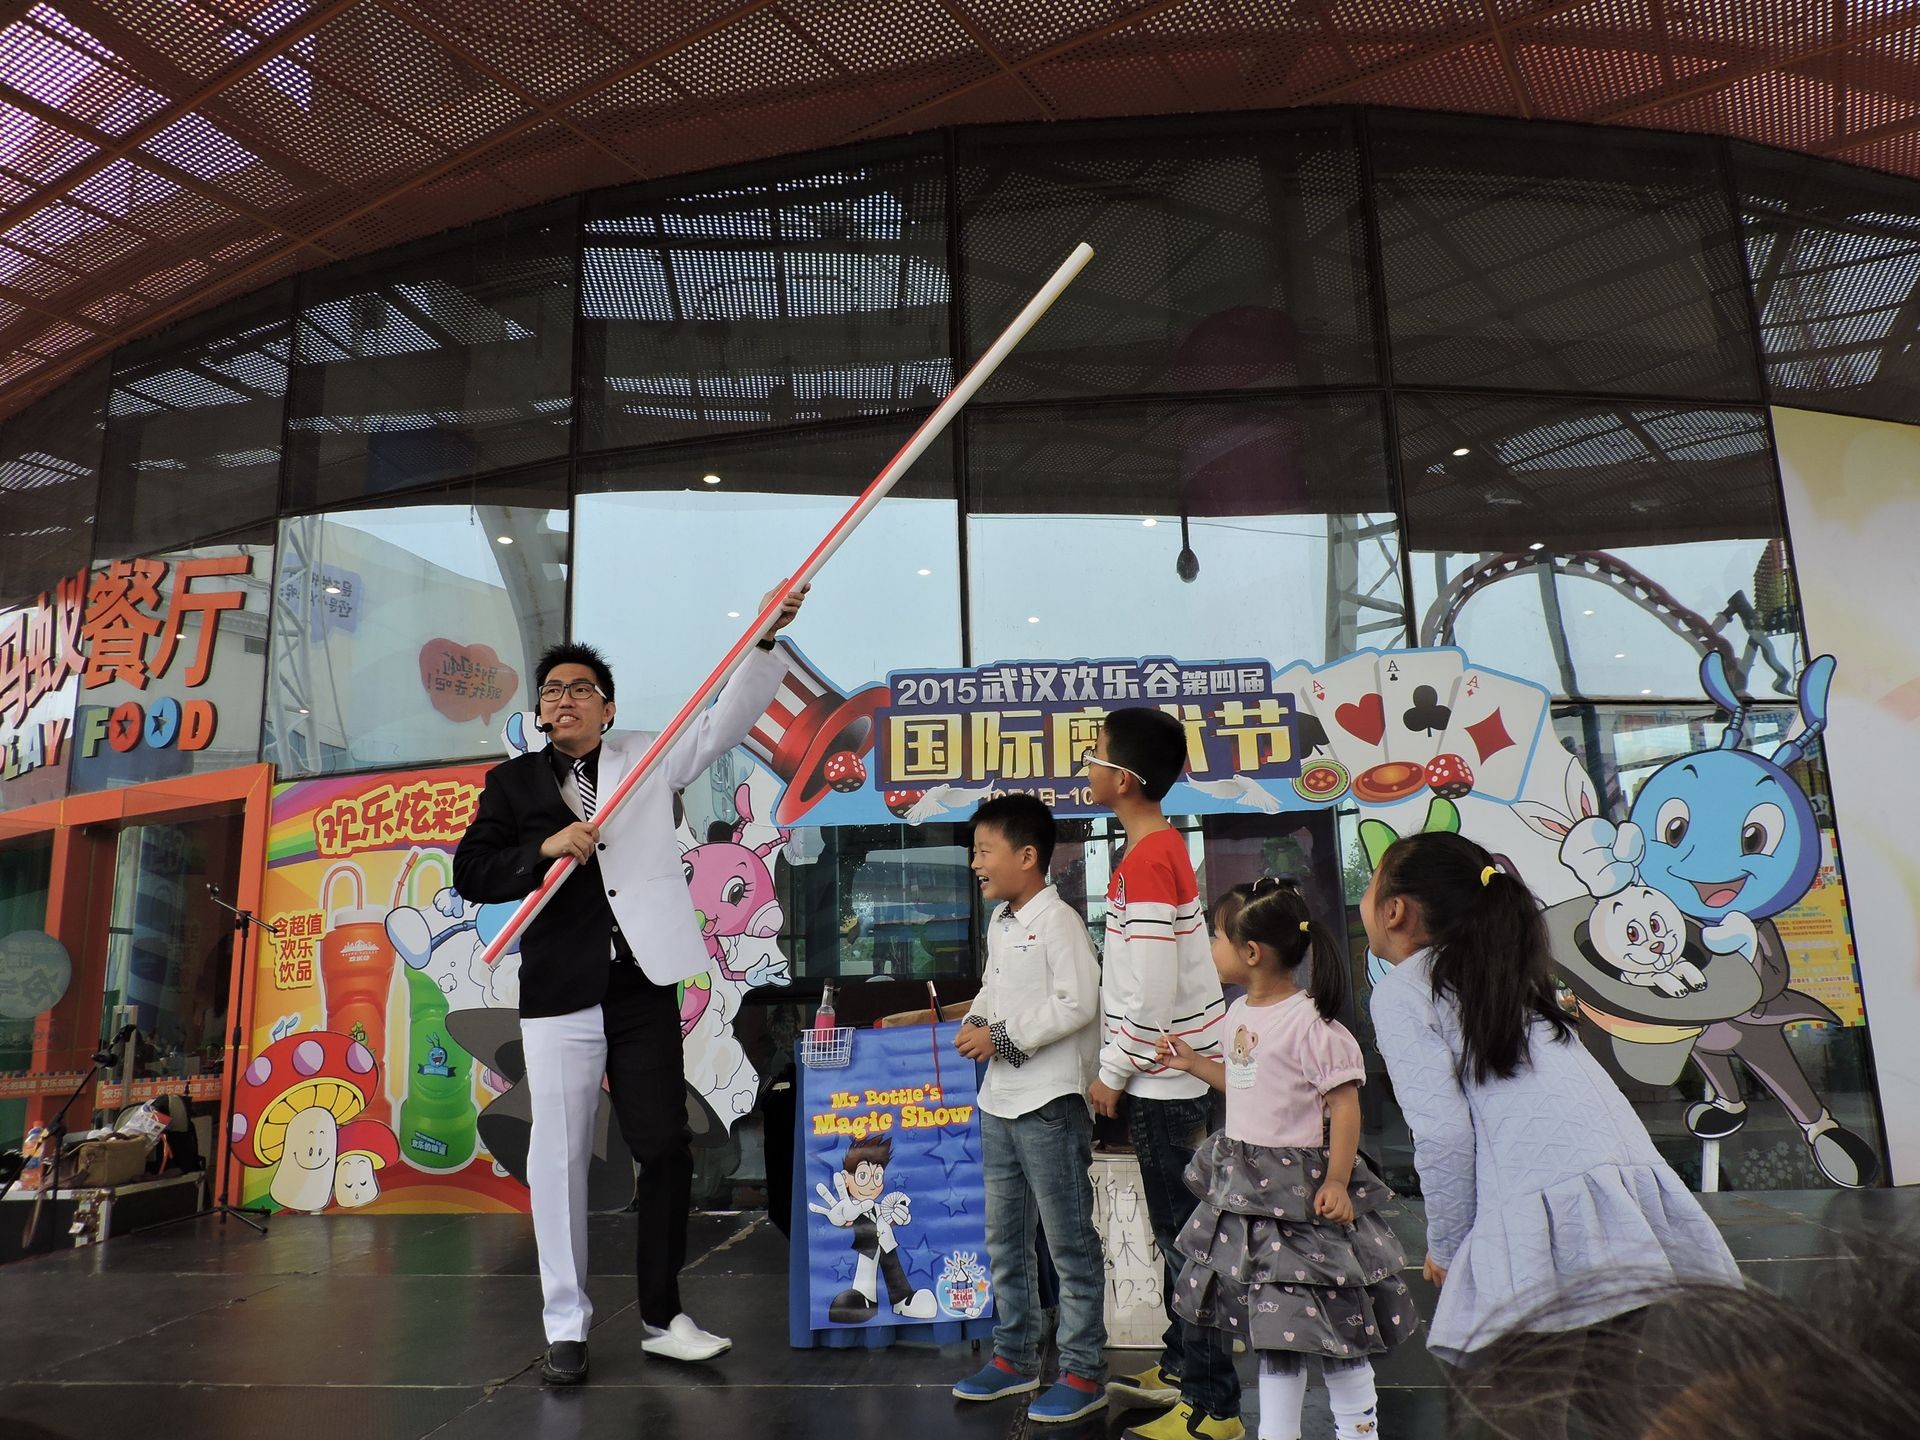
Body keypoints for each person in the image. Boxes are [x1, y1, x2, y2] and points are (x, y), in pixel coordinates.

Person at [452, 587, 804, 1386]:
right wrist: (542, 848)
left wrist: (765, 642)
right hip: (558, 991)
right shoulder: (511, 788)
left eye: (581, 689)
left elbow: (726, 723)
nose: (565, 700)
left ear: (607, 709)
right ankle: (566, 1323)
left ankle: (661, 1314)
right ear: (540, 713)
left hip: (642, 981)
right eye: (553, 691)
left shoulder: (646, 757)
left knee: (664, 1146)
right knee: (561, 1157)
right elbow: (471, 873)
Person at [1362, 831, 1742, 1440]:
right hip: (1623, 1211)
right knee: (1614, 1404)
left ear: (1395, 910)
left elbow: (1443, 1134)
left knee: (1511, 1412)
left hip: (1546, 1218)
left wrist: (1450, 1247)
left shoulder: (1405, 991)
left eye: (1370, 882)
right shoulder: (1508, 975)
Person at [1159, 878, 1418, 1440]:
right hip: (1252, 1194)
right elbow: (1245, 1083)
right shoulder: (1236, 1016)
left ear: (1252, 953)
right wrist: (1193, 1065)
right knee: (1277, 1333)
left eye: (1216, 936)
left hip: (1303, 1200)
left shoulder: (1313, 1025)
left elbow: (1344, 1107)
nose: (1211, 947)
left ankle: (1359, 1430)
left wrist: (1339, 1181)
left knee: (1336, 1322)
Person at [1082, 708, 1241, 1440]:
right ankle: (1181, 1367)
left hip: (1163, 1082)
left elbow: (1146, 993)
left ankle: (1213, 1407)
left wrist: (1112, 1070)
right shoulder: (1155, 849)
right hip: (1169, 1075)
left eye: (1095, 755)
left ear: (1125, 779)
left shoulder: (1148, 860)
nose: (1087, 765)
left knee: (1187, 1242)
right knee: (1182, 1236)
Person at [949, 793, 1108, 1425]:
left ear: (1028, 856)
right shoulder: (1004, 922)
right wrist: (976, 1021)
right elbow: (994, 988)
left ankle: (1083, 1371)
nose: (975, 863)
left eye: (984, 851)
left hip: (1049, 1104)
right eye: (975, 851)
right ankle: (1014, 1358)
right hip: (1000, 1100)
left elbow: (1079, 1002)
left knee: (1068, 1244)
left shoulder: (1059, 920)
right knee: (1005, 1242)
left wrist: (1002, 1037)